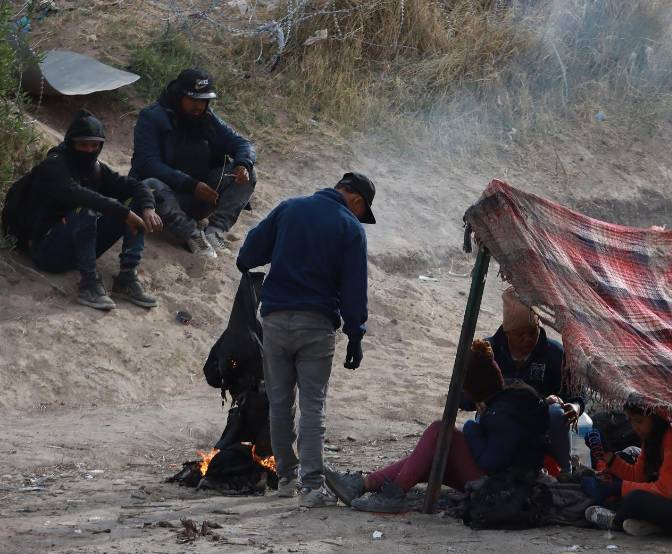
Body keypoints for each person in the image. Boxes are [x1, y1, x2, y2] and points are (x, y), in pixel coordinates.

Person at [236, 172, 376, 508]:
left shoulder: (289, 209)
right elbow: (355, 291)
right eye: (362, 210)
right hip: (316, 325)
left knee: (280, 402)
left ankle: (285, 479)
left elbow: (247, 256)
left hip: (274, 320)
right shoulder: (350, 227)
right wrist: (355, 335)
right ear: (356, 200)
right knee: (313, 406)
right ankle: (311, 487)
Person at [326, 340, 551, 513]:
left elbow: (490, 462)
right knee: (434, 452)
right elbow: (465, 398)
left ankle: (392, 495)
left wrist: (473, 428)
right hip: (500, 478)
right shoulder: (504, 392)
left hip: (501, 486)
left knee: (440, 431)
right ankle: (364, 484)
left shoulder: (503, 414)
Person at [11, 109, 161, 310]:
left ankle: (126, 277)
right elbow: (78, 195)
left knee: (138, 203)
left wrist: (148, 208)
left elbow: (136, 186)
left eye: (94, 145)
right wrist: (123, 213)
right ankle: (89, 283)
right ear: (71, 143)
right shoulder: (54, 166)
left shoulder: (95, 168)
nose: (89, 150)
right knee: (87, 208)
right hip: (46, 250)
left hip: (78, 246)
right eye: (83, 144)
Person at [130, 68, 256, 258]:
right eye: (193, 100)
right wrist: (189, 184)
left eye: (204, 101)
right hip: (162, 200)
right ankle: (192, 234)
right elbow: (148, 163)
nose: (199, 106)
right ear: (179, 96)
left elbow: (242, 143)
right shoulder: (152, 117)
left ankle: (215, 231)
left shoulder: (207, 118)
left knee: (249, 173)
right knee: (149, 185)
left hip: (202, 197)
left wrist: (242, 165)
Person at [472, 287, 584, 472]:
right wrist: (477, 400)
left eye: (533, 332)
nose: (528, 339)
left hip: (539, 423)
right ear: (507, 333)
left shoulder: (554, 353)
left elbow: (575, 392)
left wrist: (575, 407)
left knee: (557, 414)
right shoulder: (488, 352)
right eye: (520, 335)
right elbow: (464, 393)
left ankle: (565, 470)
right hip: (499, 419)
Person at [583, 396, 672, 539]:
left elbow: (665, 491)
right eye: (631, 421)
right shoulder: (651, 437)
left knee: (634, 499)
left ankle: (615, 521)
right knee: (615, 489)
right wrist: (610, 458)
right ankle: (633, 521)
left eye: (639, 421)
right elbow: (638, 476)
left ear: (655, 419)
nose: (634, 427)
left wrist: (619, 487)